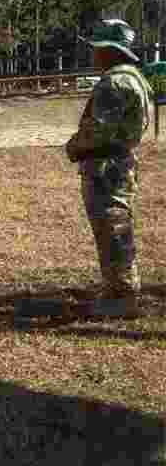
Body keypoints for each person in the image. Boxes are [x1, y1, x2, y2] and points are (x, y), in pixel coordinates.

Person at [66, 19, 154, 318]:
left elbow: (98, 131)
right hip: (118, 163)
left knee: (112, 231)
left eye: (97, 48)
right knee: (117, 228)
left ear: (111, 51)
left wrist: (73, 146)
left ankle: (122, 296)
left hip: (106, 167)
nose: (93, 54)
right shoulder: (134, 77)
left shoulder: (114, 83)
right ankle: (120, 288)